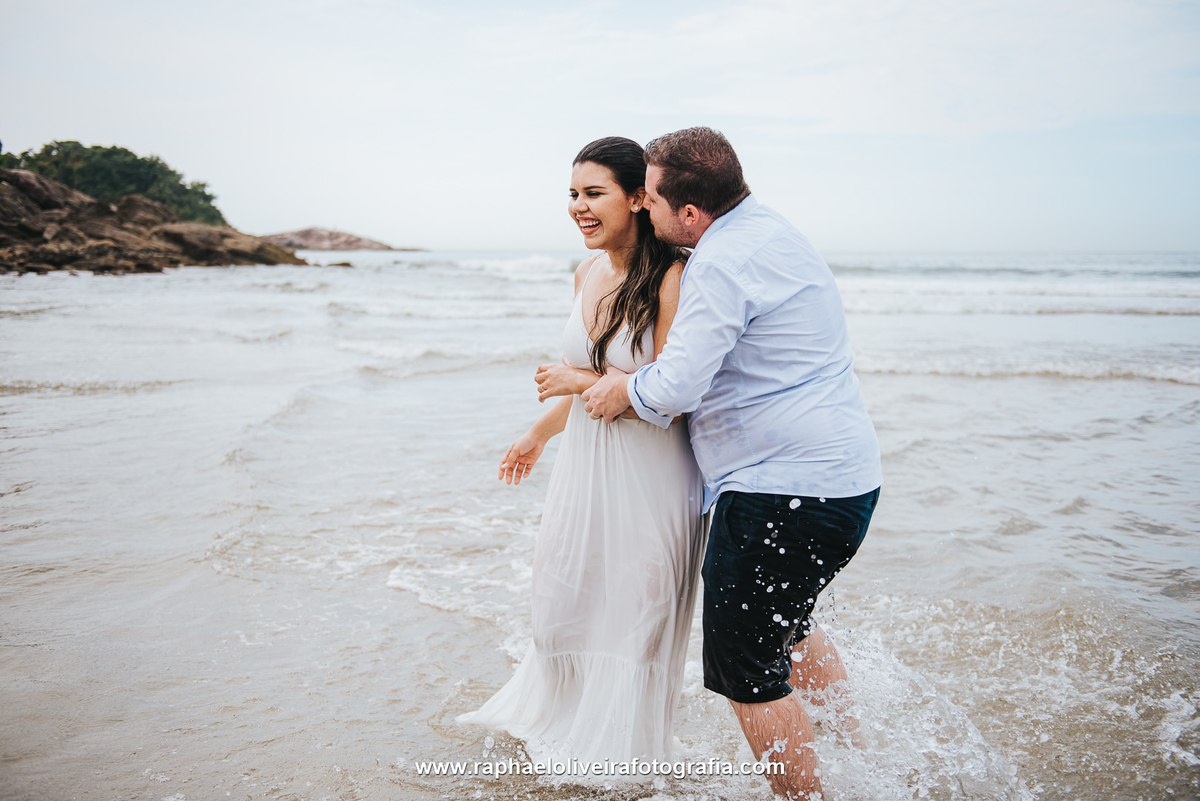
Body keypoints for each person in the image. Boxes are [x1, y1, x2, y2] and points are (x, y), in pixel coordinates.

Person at [582, 127, 883, 800]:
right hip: (844, 484)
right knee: (790, 628)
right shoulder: (769, 229)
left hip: (781, 493)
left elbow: (676, 386)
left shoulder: (719, 263)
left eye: (651, 198)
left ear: (690, 213)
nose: (643, 208)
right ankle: (857, 754)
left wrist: (619, 388)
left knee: (745, 669)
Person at [456, 137, 706, 770]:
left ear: (638, 198)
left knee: (636, 615)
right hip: (585, 467)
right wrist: (539, 433)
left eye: (594, 193)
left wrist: (576, 381)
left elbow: (670, 398)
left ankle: (623, 754)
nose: (578, 207)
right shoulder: (586, 273)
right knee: (562, 603)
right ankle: (564, 731)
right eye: (572, 194)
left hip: (652, 473)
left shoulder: (674, 278)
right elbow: (588, 383)